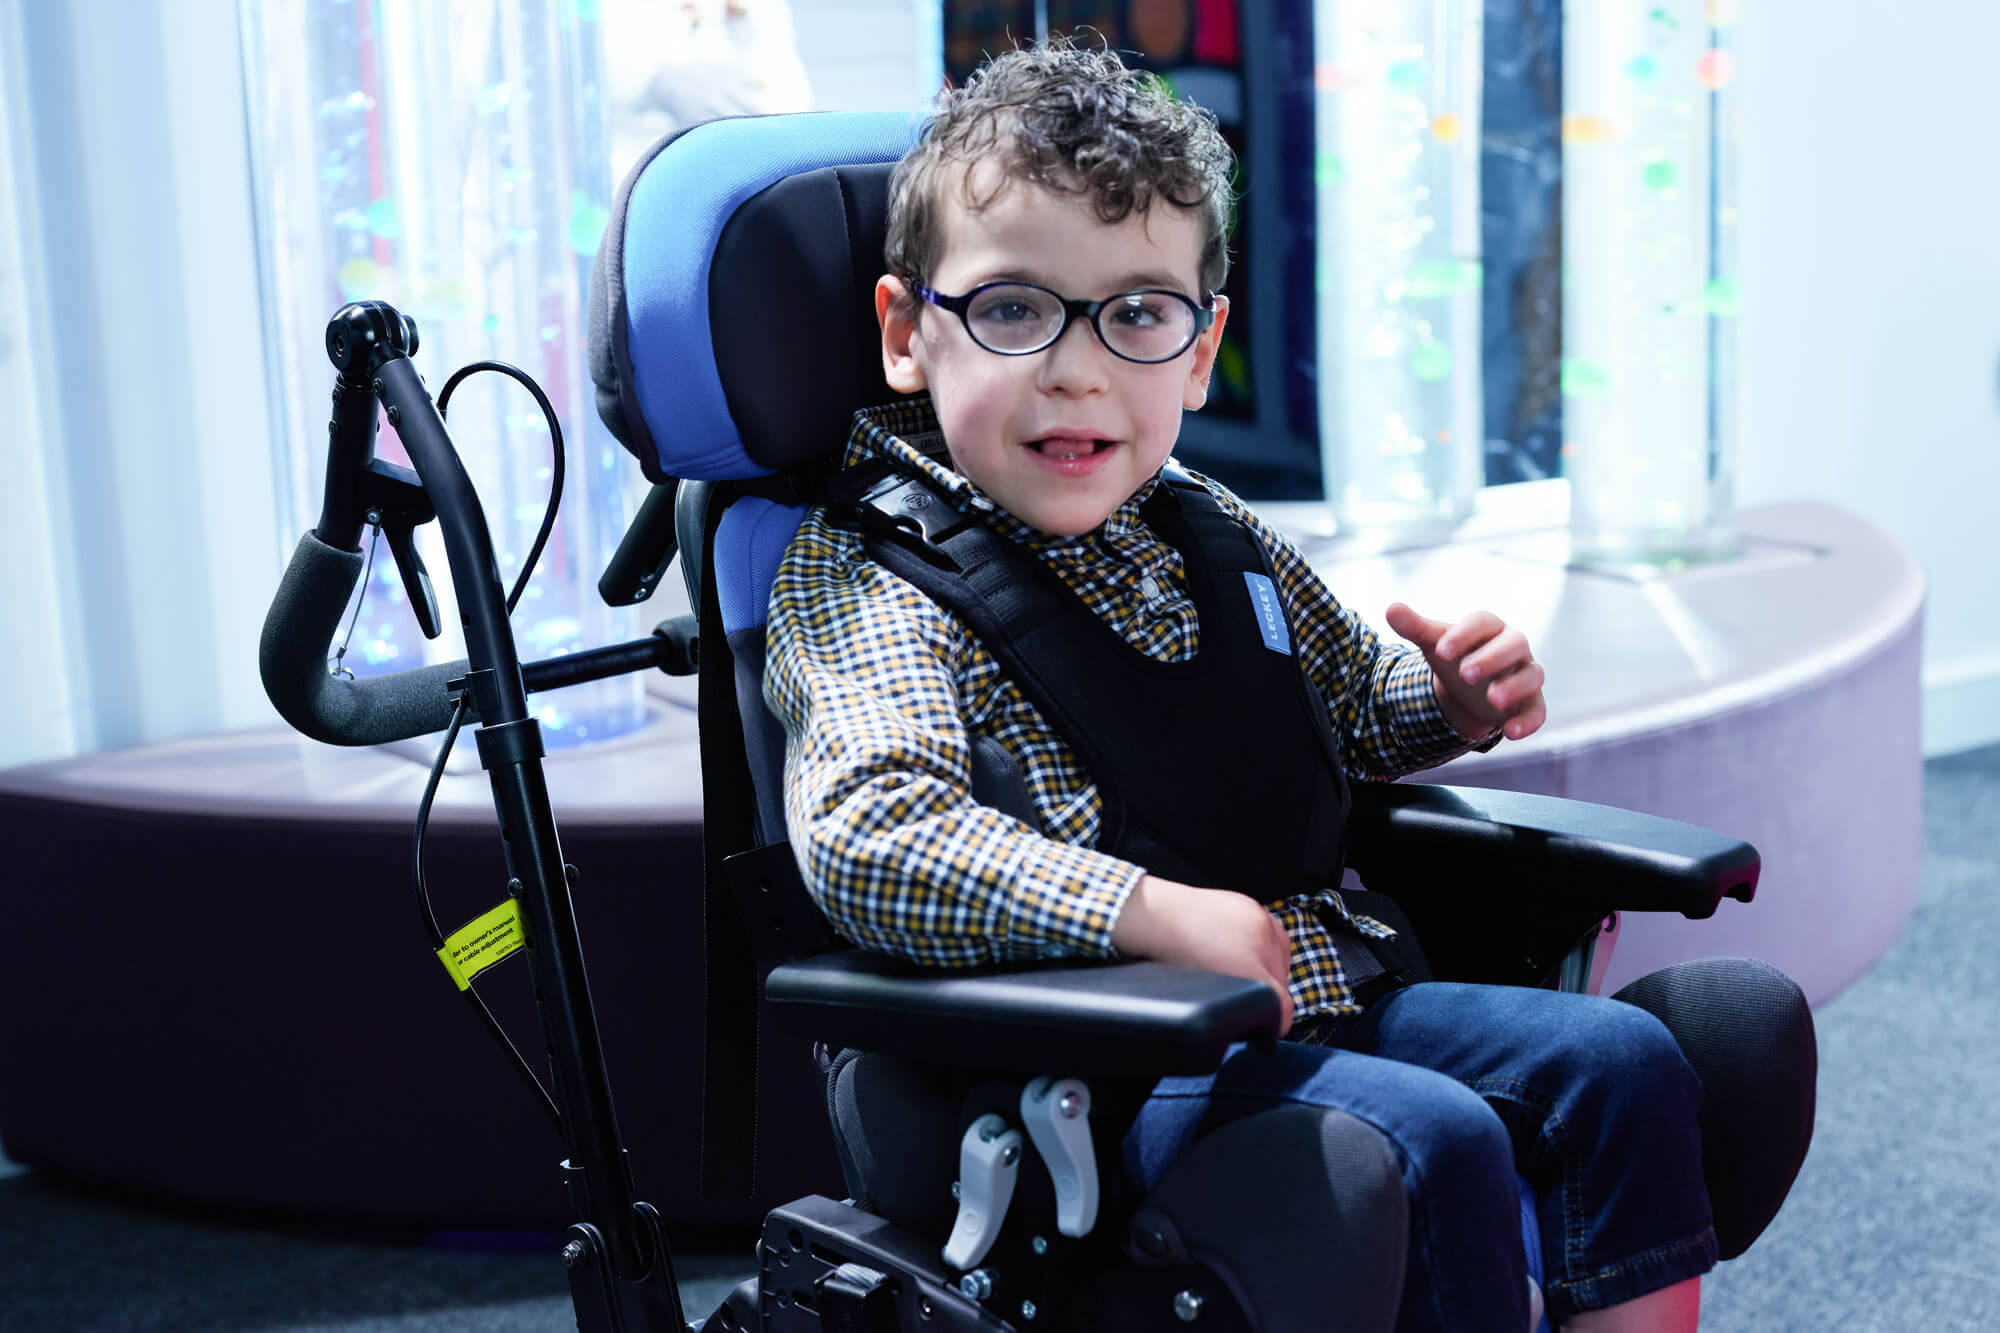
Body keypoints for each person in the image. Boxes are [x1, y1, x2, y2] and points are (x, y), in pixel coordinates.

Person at [763, 38, 1712, 1332]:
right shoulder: (877, 580)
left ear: (1201, 351)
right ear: (906, 334)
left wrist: (1452, 697)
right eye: (1014, 310)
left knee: (1625, 1066)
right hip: (1104, 1075)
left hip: (1321, 1001)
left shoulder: (1201, 524)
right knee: (1430, 1140)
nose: (1079, 370)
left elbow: (1356, 704)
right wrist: (1142, 912)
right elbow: (873, 836)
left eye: (1138, 315)